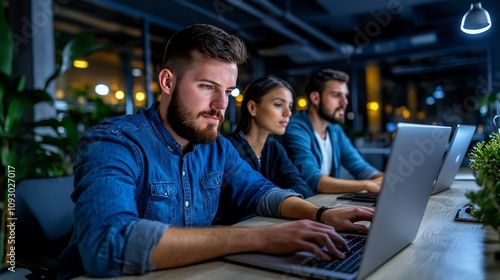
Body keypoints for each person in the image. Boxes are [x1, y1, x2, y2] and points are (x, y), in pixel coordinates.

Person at [57, 24, 375, 279]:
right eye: (207, 87)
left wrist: (322, 214)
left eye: (228, 92)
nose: (221, 105)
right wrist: (261, 238)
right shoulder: (113, 141)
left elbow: (260, 191)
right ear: (168, 81)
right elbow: (109, 246)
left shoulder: (216, 147)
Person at [214, 75, 314, 225]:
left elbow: (302, 187)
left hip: (268, 227)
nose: (288, 113)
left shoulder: (273, 148)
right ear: (253, 108)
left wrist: (275, 201)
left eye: (290, 106)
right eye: (279, 105)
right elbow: (232, 211)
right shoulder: (229, 149)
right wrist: (280, 204)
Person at [282, 69, 384, 194]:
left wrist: (383, 179)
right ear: (315, 98)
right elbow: (312, 179)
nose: (345, 102)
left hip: (324, 203)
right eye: (336, 95)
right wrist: (368, 184)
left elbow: (359, 166)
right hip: (302, 207)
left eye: (345, 96)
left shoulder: (334, 130)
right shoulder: (296, 128)